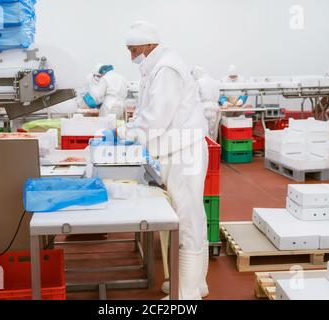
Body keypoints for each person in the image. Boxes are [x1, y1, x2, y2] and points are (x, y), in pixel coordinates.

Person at [117, 20, 210, 300]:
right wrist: (132, 126)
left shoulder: (166, 68)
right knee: (182, 216)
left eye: (134, 50)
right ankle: (192, 283)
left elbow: (157, 117)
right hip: (173, 150)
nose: (132, 56)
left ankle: (188, 293)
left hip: (184, 152)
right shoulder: (156, 67)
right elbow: (147, 110)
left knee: (188, 217)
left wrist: (127, 134)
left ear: (147, 45)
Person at [191, 66, 221, 142]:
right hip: (215, 109)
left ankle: (207, 151)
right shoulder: (215, 81)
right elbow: (219, 96)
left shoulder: (199, 82)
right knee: (213, 132)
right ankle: (213, 149)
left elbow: (196, 98)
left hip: (204, 109)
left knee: (204, 132)